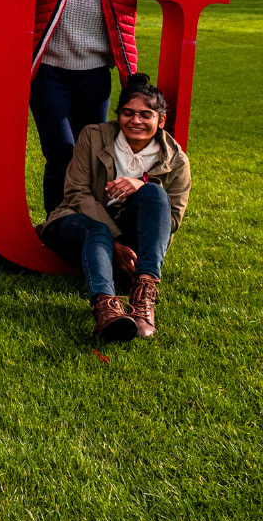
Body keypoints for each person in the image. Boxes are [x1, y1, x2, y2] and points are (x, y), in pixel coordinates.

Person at [0, 0, 187, 214]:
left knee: (91, 154)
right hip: (49, 73)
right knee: (61, 153)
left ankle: (87, 221)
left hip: (94, 76)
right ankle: (57, 223)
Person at [39, 74, 190, 341]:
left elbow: (173, 218)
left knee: (154, 193)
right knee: (97, 230)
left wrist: (142, 184)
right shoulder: (93, 136)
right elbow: (76, 192)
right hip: (78, 222)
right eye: (128, 113)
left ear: (161, 120)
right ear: (118, 115)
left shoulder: (175, 160)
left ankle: (143, 298)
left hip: (132, 234)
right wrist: (115, 240)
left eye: (146, 115)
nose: (136, 121)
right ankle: (106, 309)